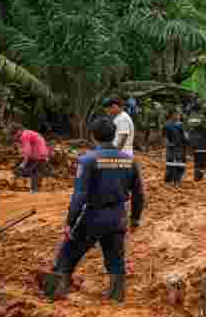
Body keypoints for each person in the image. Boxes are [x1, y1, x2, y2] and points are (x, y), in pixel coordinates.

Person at [42, 117, 145, 302]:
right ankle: (116, 298)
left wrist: (70, 222)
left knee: (68, 253)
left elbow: (79, 195)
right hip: (118, 216)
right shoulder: (129, 161)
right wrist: (135, 219)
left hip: (94, 215)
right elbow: (139, 194)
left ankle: (55, 293)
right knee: (115, 260)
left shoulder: (88, 160)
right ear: (114, 135)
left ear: (93, 136)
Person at [15, 126, 50, 193]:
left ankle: (34, 190)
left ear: (19, 131)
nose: (15, 136)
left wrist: (24, 163)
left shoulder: (24, 135)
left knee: (33, 171)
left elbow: (27, 150)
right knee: (37, 172)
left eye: (15, 134)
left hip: (37, 154)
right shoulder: (28, 133)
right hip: (42, 152)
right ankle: (35, 189)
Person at [163, 110, 188, 185]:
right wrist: (167, 144)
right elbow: (165, 137)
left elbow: (185, 136)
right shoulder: (167, 125)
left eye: (179, 115)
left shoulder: (182, 125)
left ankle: (178, 180)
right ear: (172, 115)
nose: (179, 116)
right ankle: (169, 180)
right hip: (171, 147)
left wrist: (187, 142)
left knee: (180, 164)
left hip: (181, 147)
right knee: (170, 163)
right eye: (177, 115)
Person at [187, 113, 206, 181]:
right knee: (202, 165)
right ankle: (199, 177)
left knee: (197, 164)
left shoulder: (191, 130)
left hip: (195, 150)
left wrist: (189, 151)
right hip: (203, 150)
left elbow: (189, 140)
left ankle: (197, 177)